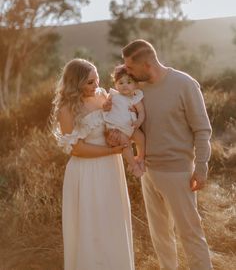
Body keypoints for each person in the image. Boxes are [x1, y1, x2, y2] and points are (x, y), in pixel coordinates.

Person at [122, 39, 213, 270]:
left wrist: (201, 166)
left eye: (130, 67)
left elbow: (202, 129)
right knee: (160, 238)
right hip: (149, 173)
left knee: (190, 235)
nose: (126, 71)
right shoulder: (137, 90)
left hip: (178, 174)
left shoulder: (185, 84)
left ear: (147, 65)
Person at [51, 58, 135, 270]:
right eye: (90, 82)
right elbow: (76, 149)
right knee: (90, 225)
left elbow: (114, 124)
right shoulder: (67, 109)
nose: (96, 85)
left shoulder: (103, 96)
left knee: (112, 220)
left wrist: (117, 137)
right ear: (75, 83)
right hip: (86, 171)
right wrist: (111, 150)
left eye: (97, 79)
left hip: (110, 168)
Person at [103, 64, 145, 177]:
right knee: (125, 144)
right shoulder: (112, 96)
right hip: (116, 128)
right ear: (115, 84)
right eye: (120, 83)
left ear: (135, 84)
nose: (124, 85)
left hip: (131, 126)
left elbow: (141, 112)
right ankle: (133, 164)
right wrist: (106, 106)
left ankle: (140, 158)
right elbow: (105, 109)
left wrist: (138, 122)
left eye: (129, 82)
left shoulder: (134, 97)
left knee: (141, 138)